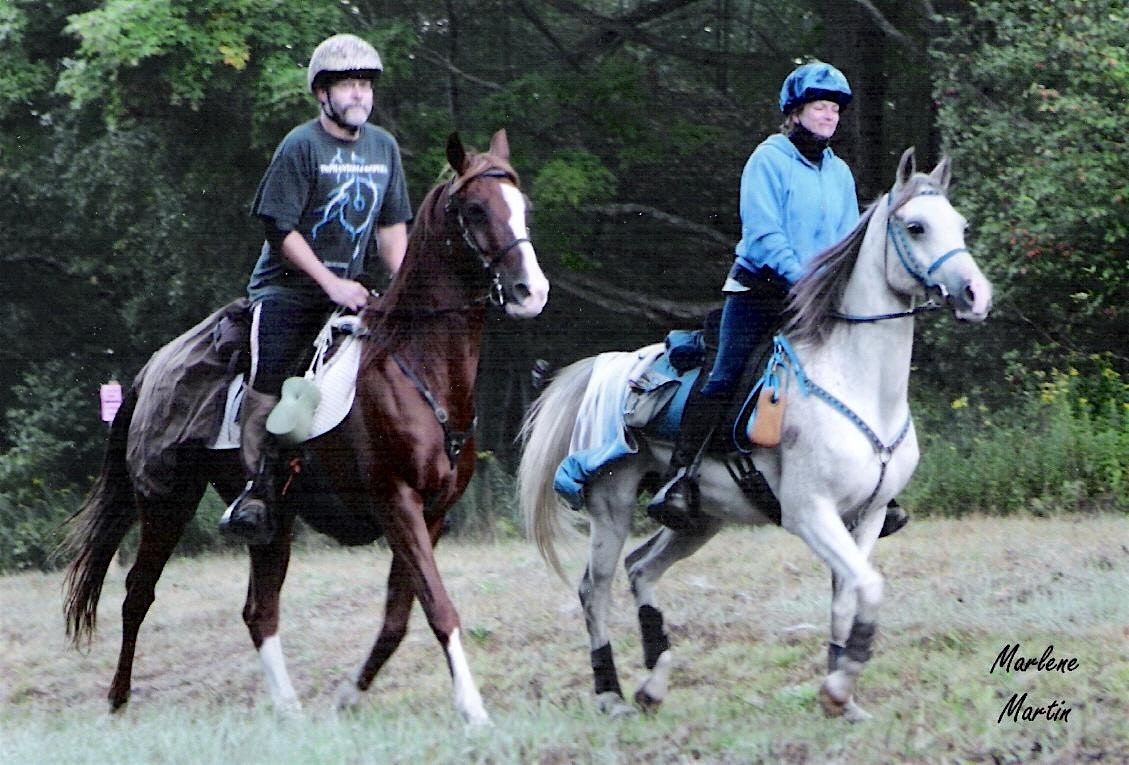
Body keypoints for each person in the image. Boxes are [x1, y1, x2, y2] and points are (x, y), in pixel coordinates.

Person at [647, 61, 908, 537]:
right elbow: (764, 236)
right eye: (819, 106)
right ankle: (681, 479)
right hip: (761, 293)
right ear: (795, 112)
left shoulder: (841, 173)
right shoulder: (767, 160)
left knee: (860, 373)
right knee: (725, 372)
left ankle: (873, 485)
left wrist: (837, 288)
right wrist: (805, 280)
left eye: (834, 108)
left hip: (819, 300)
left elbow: (849, 243)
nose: (829, 116)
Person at [219, 33, 413, 544]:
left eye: (365, 85)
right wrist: (331, 283)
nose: (359, 96)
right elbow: (280, 232)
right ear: (321, 94)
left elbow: (393, 232)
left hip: (352, 293)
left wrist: (405, 287)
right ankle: (254, 492)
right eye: (347, 85)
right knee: (267, 384)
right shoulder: (301, 145)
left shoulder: (384, 147)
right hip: (285, 294)